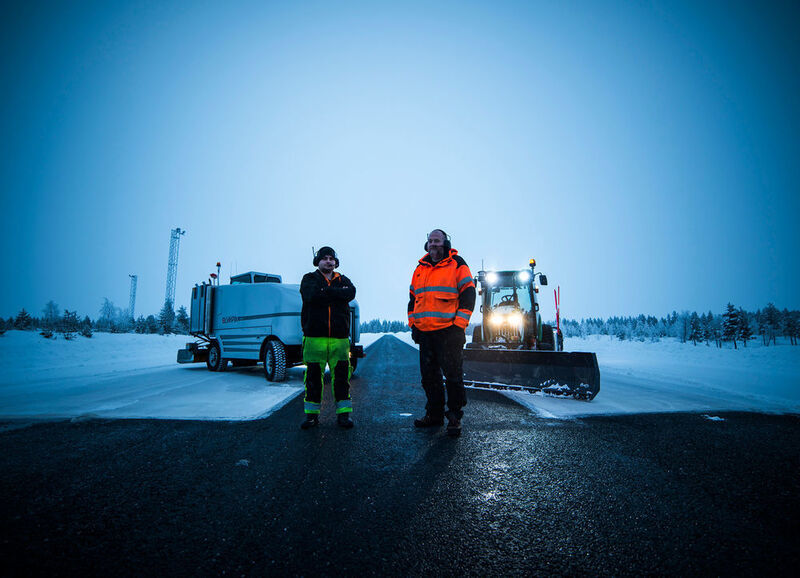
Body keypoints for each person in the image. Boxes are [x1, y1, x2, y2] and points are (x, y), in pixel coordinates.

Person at [408, 229, 475, 436]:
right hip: (426, 334)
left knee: (453, 377)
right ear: (426, 245)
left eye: (437, 240)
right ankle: (434, 414)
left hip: (449, 333)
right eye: (430, 241)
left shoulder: (457, 264)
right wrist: (414, 325)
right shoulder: (420, 268)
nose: (433, 244)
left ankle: (454, 417)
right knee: (429, 378)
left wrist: (459, 326)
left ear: (445, 243)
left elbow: (469, 294)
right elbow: (412, 299)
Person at [299, 246, 357, 430]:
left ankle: (343, 416)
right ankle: (311, 417)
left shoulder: (343, 279)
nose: (329, 261)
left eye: (331, 258)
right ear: (318, 261)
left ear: (335, 262)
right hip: (314, 338)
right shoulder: (309, 279)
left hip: (340, 339)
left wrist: (326, 292)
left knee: (342, 378)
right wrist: (336, 294)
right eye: (324, 258)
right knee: (313, 378)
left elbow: (351, 293)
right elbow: (311, 295)